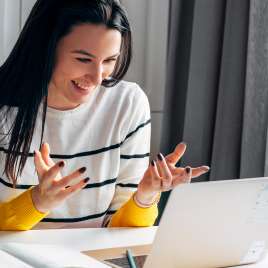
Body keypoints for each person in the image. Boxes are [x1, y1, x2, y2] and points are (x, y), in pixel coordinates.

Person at [0, 0, 209, 231]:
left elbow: (118, 233)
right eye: (83, 59)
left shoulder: (127, 104)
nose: (97, 78)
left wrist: (145, 197)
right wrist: (37, 202)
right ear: (46, 47)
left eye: (109, 60)